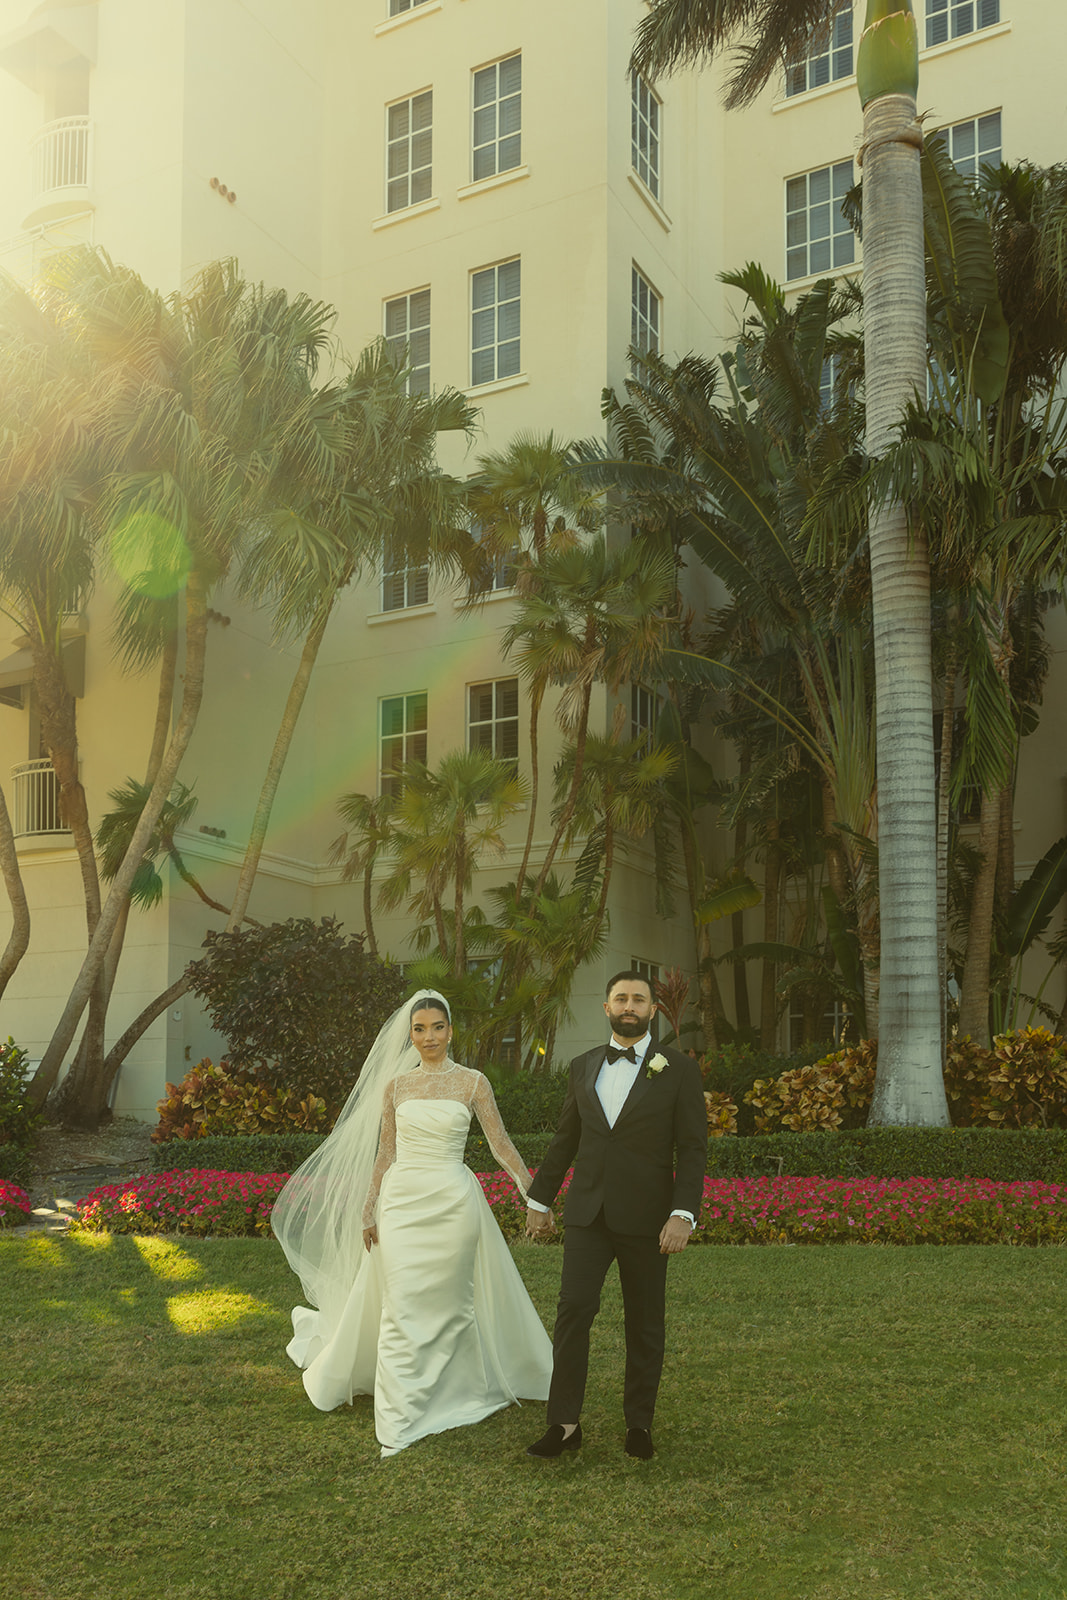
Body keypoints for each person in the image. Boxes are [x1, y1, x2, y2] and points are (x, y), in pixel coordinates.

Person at [272, 989, 552, 1458]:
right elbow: (385, 1154)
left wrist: (534, 1193)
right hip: (401, 1203)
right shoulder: (397, 1087)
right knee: (402, 1305)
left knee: (450, 1301)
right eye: (419, 1029)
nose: (429, 1037)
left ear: (450, 1030)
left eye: (437, 1027)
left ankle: (458, 1391)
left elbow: (500, 1143)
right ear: (410, 1034)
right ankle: (400, 1417)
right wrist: (368, 1208)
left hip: (453, 1203)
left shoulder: (473, 1083)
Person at [524, 970, 708, 1460]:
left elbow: (692, 1150)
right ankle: (563, 1424)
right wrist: (540, 1200)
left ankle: (639, 1426)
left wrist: (683, 1214)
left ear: (654, 1010)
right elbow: (567, 1138)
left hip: (649, 1219)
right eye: (621, 998)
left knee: (644, 1321)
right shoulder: (583, 1065)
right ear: (606, 1007)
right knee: (573, 1313)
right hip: (587, 1213)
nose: (630, 1006)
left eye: (639, 999)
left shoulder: (680, 1070)